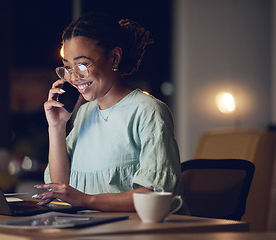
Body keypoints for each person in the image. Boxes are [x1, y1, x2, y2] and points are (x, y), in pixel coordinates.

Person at [33, 12, 187, 213]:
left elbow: (154, 194)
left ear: (114, 57)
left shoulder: (147, 111)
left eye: (82, 65)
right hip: (88, 228)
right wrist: (56, 126)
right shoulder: (84, 113)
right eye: (68, 67)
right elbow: (61, 188)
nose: (74, 77)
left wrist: (87, 201)